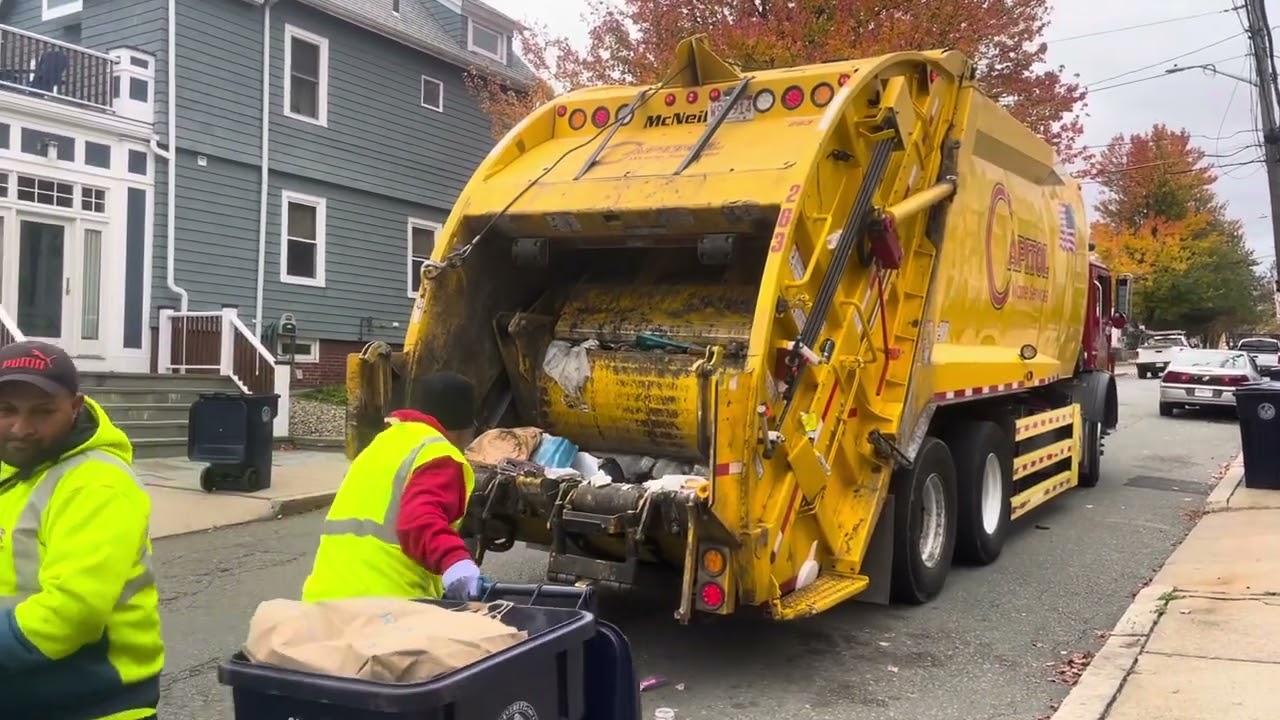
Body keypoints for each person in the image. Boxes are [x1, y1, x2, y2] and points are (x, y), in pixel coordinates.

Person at [0, 341, 163, 720]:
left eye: (43, 412)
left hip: (92, 701)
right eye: (6, 410)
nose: (22, 429)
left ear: (74, 408)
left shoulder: (97, 483)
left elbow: (71, 613)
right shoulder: (12, 465)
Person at [301, 371, 486, 603]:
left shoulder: (382, 443)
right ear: (462, 430)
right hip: (385, 607)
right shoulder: (439, 454)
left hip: (322, 601)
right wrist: (456, 563)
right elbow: (419, 521)